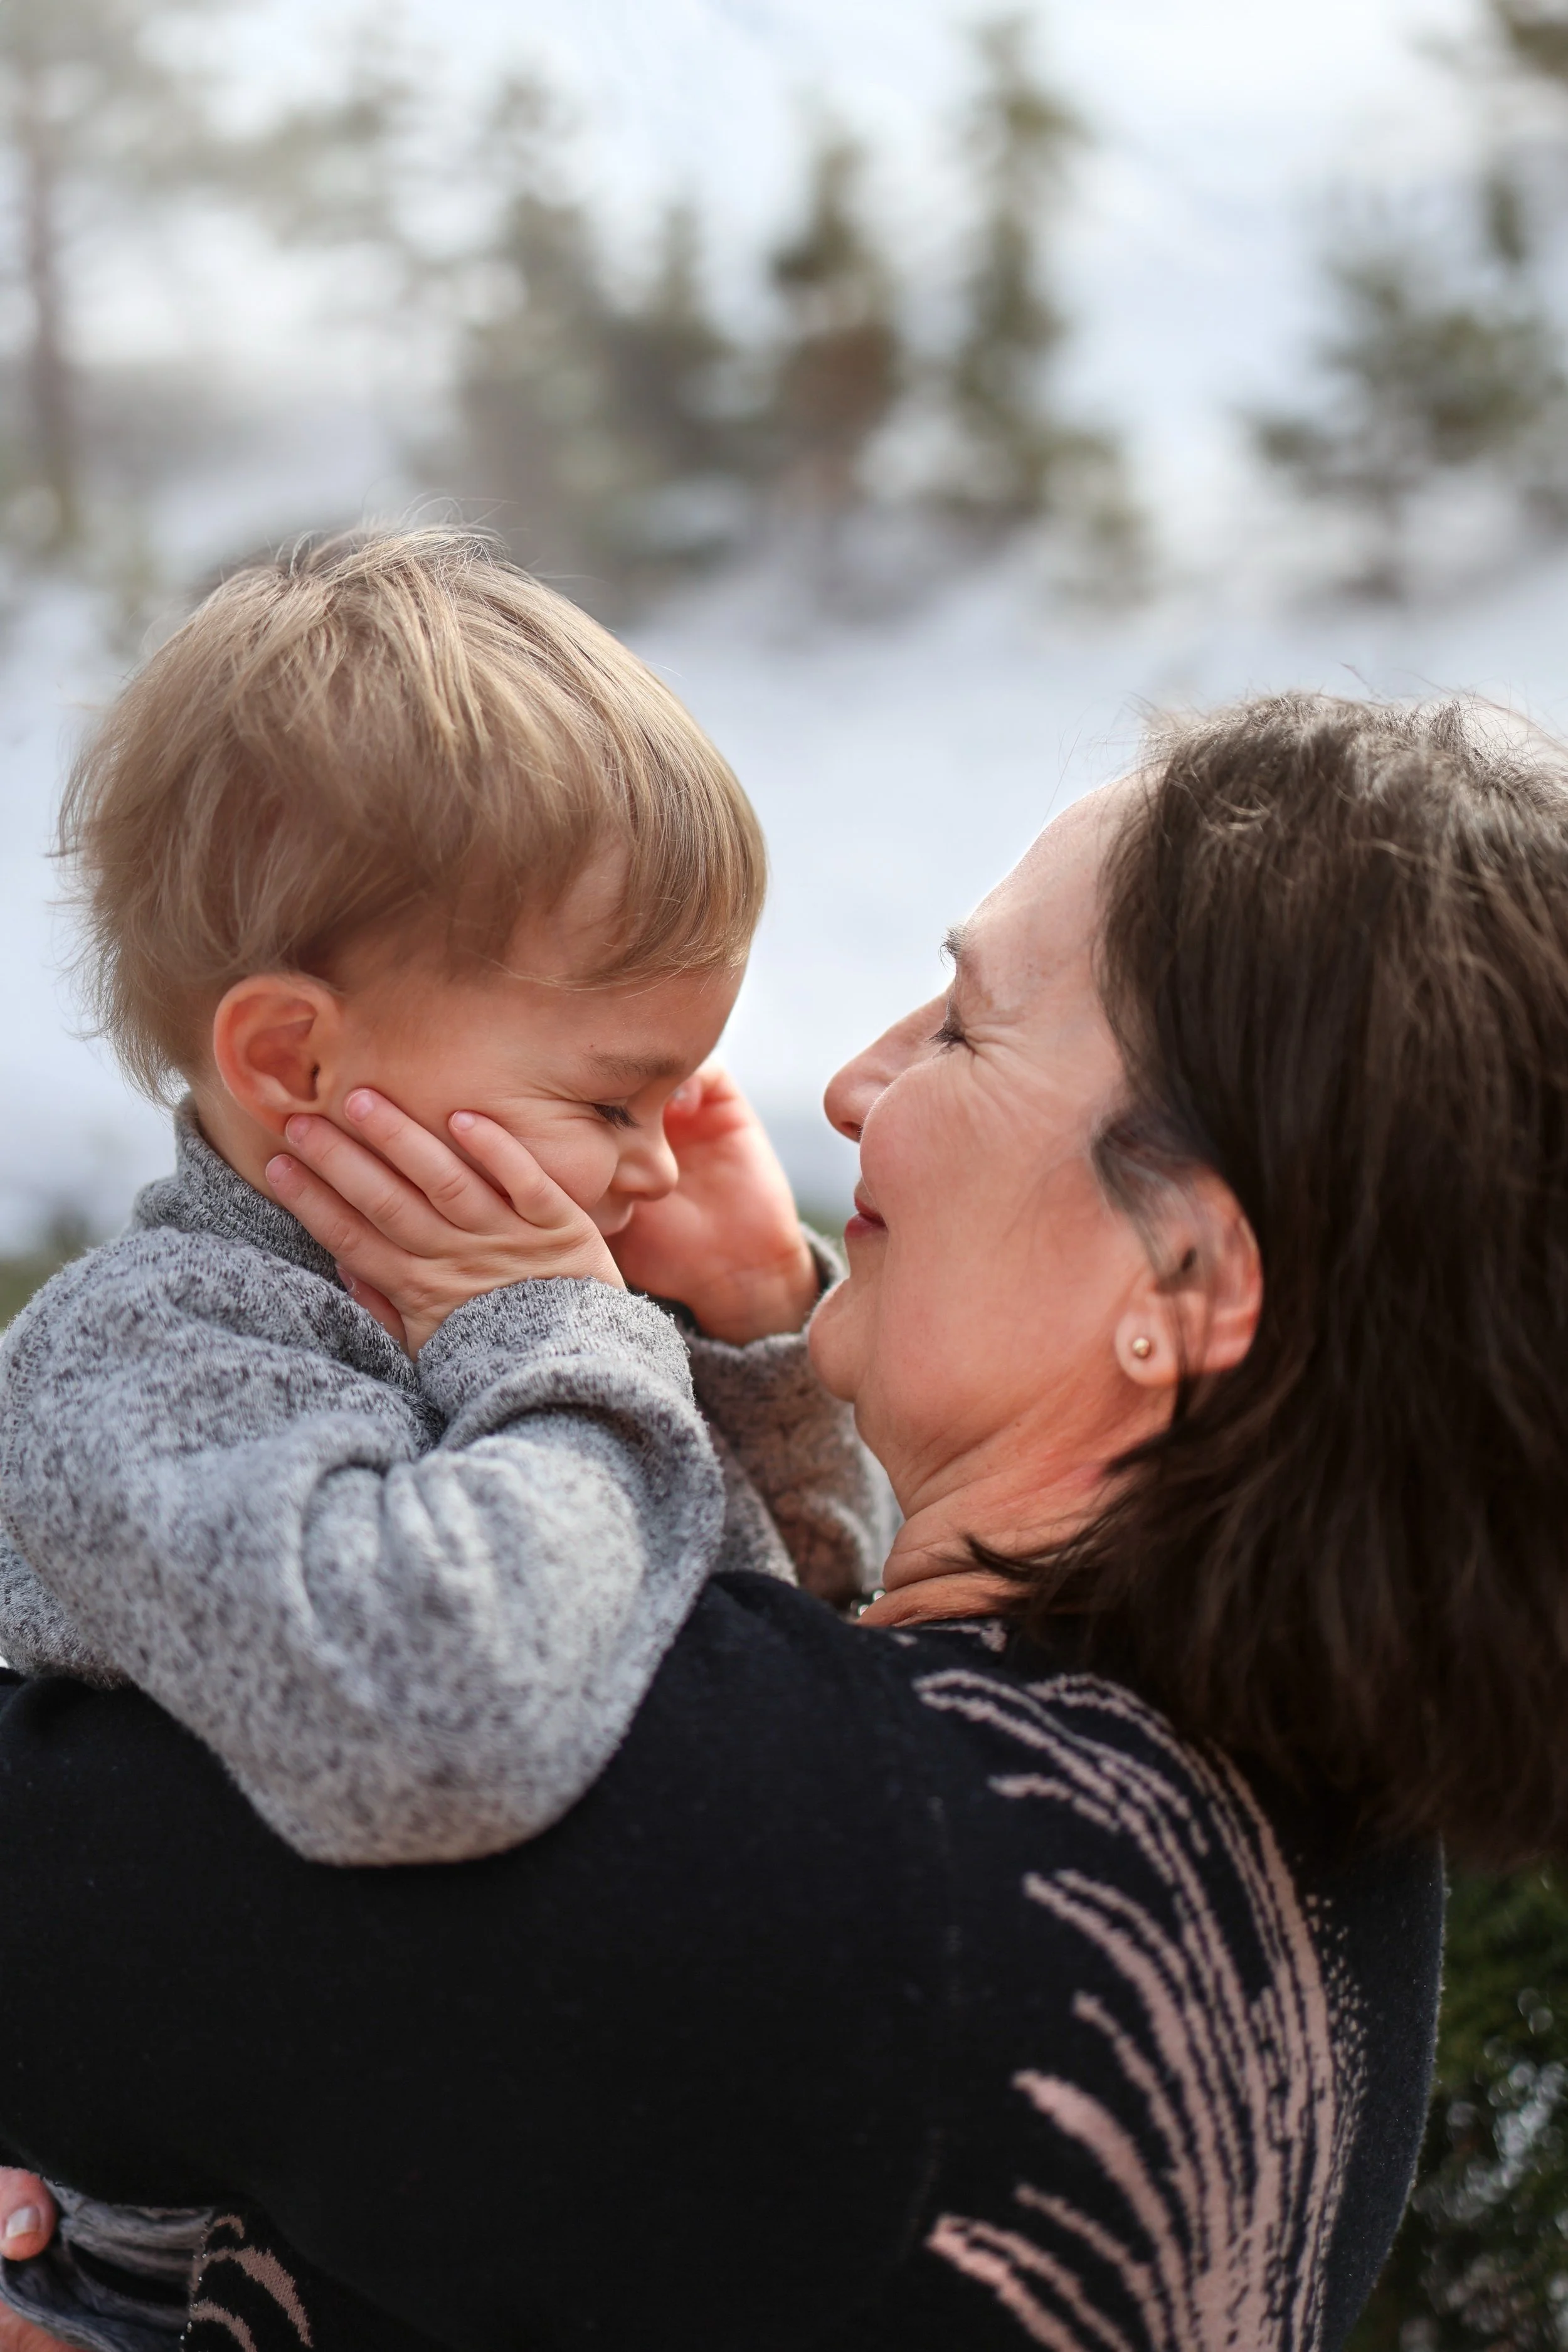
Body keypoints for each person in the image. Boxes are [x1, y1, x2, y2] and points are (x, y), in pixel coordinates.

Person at [1, 691, 1564, 2349]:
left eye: (961, 1026)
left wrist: (557, 1338)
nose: (848, 1083)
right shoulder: (1296, 1835)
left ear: (1183, 1271)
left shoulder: (765, 1868)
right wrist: (757, 1357)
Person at [0, 529, 887, 2349]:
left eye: (678, 1088)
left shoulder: (541, 1317)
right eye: (604, 1093)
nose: (650, 1158)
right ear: (297, 1063)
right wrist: (561, 1337)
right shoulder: (145, 1360)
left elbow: (791, 1650)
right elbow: (429, 1723)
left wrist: (741, 1345)